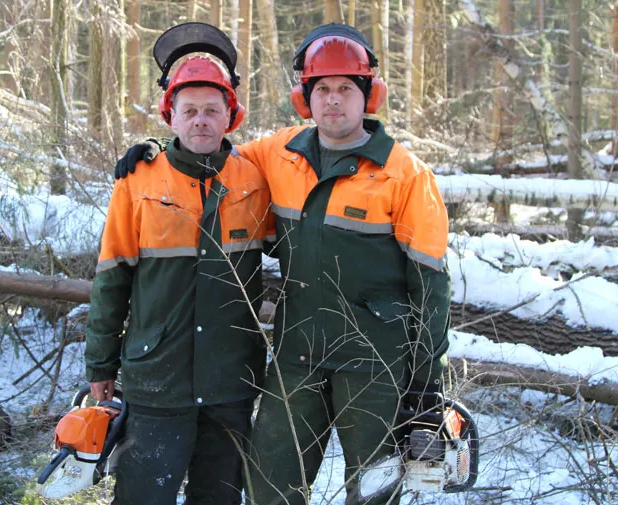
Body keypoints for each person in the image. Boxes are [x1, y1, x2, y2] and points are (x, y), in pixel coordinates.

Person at [115, 23, 451, 505]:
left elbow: (433, 290)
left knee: (376, 491)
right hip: (296, 359)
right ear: (305, 98)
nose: (334, 101)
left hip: (376, 366)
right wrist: (153, 153)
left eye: (345, 90)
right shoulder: (279, 153)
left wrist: (425, 384)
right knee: (270, 486)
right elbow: (207, 151)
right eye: (323, 90)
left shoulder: (407, 175)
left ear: (368, 96)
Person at [85, 28, 275, 505]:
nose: (201, 121)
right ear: (170, 114)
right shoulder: (139, 180)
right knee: (142, 495)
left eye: (212, 110)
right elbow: (112, 279)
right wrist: (100, 363)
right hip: (157, 379)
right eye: (189, 110)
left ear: (231, 115)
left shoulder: (256, 180)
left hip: (230, 380)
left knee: (220, 496)